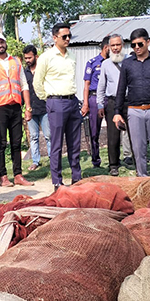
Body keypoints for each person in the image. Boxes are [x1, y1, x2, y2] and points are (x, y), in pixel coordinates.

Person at [113, 28, 150, 177]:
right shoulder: (127, 64)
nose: (137, 48)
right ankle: (142, 177)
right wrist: (117, 112)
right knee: (138, 148)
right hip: (134, 110)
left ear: (148, 42)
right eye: (133, 45)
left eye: (140, 44)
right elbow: (121, 89)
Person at [33, 23, 84, 190]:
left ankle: (77, 178)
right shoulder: (46, 57)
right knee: (56, 144)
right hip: (56, 102)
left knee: (74, 143)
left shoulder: (72, 56)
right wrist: (48, 99)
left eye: (69, 36)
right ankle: (57, 181)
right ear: (55, 38)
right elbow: (37, 82)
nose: (68, 39)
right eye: (64, 36)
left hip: (72, 101)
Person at [0, 32, 34, 188]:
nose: (0, 45)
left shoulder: (15, 61)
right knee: (1, 143)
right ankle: (3, 176)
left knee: (17, 142)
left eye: (2, 42)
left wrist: (28, 107)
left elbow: (24, 85)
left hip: (15, 106)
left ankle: (18, 174)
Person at [97, 34, 127, 176]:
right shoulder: (105, 64)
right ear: (108, 47)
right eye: (112, 45)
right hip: (112, 102)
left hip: (129, 101)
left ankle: (136, 161)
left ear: (122, 45)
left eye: (118, 45)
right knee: (113, 135)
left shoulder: (130, 61)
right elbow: (101, 86)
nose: (115, 48)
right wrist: (99, 104)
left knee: (133, 133)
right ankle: (113, 164)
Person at [23, 44, 51, 171]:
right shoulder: (24, 73)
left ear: (36, 56)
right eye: (26, 58)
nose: (28, 60)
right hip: (31, 109)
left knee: (48, 135)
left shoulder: (43, 71)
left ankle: (52, 159)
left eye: (29, 58)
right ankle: (35, 161)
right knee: (33, 137)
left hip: (44, 108)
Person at [83, 36, 110, 168]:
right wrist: (86, 103)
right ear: (106, 47)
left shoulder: (114, 62)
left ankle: (114, 161)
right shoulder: (92, 62)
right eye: (112, 46)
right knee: (94, 131)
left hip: (109, 98)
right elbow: (86, 84)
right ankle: (96, 161)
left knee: (114, 130)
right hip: (94, 99)